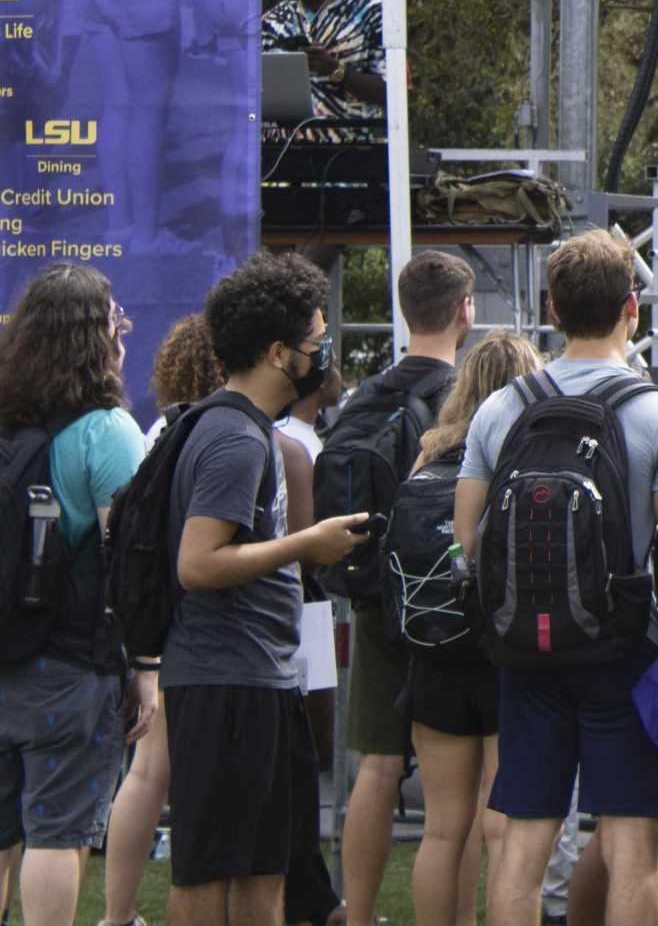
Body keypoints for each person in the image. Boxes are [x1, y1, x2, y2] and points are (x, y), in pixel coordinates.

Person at [455, 228, 658, 926]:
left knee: (525, 841)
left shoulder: (500, 407)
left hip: (525, 648)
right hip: (625, 648)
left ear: (553, 310)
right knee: (632, 846)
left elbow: (467, 537)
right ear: (634, 308)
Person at [163, 253, 371, 926]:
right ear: (281, 352)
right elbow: (197, 562)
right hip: (227, 683)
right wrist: (305, 546)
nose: (327, 352)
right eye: (318, 341)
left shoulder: (242, 429)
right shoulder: (234, 439)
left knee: (262, 866)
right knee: (212, 868)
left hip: (256, 679)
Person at [0, 266, 149, 926]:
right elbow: (134, 559)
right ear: (97, 338)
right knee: (55, 831)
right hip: (66, 662)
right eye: (115, 322)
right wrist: (147, 667)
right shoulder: (104, 429)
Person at [333, 251, 477, 926]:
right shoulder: (465, 397)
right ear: (464, 309)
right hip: (445, 610)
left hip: (371, 599)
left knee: (376, 766)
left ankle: (356, 914)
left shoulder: (364, 394)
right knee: (460, 799)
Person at [406, 332, 543, 926]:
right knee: (506, 822)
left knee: (441, 830)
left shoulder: (430, 451)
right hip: (507, 649)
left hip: (433, 646)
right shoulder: (530, 448)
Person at [101, 313, 227, 926]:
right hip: (206, 628)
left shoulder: (158, 430)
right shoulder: (223, 433)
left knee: (147, 774)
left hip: (160, 622)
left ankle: (117, 913)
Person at [271, 366, 344, 926]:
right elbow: (306, 549)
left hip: (302, 616)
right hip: (296, 616)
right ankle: (307, 892)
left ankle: (309, 888)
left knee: (308, 759)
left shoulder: (299, 443)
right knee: (302, 757)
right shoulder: (294, 447)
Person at [260, 0, 388, 140]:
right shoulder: (273, 20)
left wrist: (336, 70)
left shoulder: (371, 14)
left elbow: (393, 93)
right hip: (283, 161)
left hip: (352, 158)